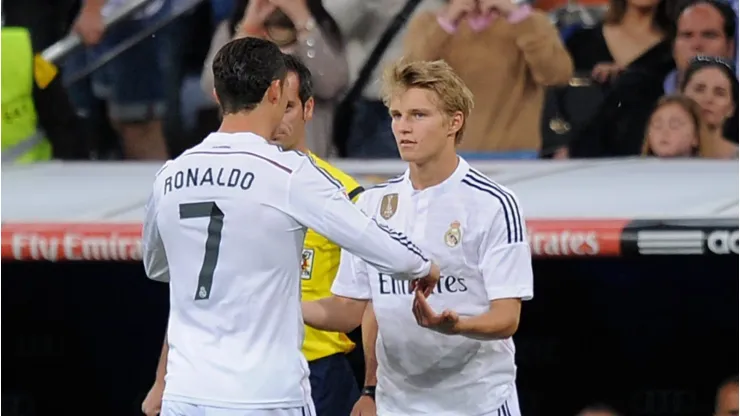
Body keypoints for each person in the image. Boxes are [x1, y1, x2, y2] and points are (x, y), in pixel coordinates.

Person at [141, 37, 440, 416]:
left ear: (217, 95)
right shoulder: (288, 173)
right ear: (276, 91)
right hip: (264, 395)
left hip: (186, 395)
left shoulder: (171, 174)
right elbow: (371, 237)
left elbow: (157, 267)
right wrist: (422, 266)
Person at [302, 59, 534, 416]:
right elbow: (352, 308)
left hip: (478, 402)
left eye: (418, 115)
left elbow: (507, 318)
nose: (402, 128)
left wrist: (458, 325)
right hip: (399, 405)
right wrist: (280, 304)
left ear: (454, 122)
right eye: (396, 115)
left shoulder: (494, 203)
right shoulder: (372, 204)